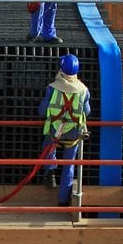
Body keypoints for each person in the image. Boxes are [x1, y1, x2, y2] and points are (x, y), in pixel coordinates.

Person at [40, 55, 92, 208]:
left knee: (48, 146)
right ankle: (63, 200)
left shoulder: (52, 88)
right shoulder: (83, 90)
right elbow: (87, 111)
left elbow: (42, 111)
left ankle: (50, 171)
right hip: (73, 134)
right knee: (69, 165)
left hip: (54, 132)